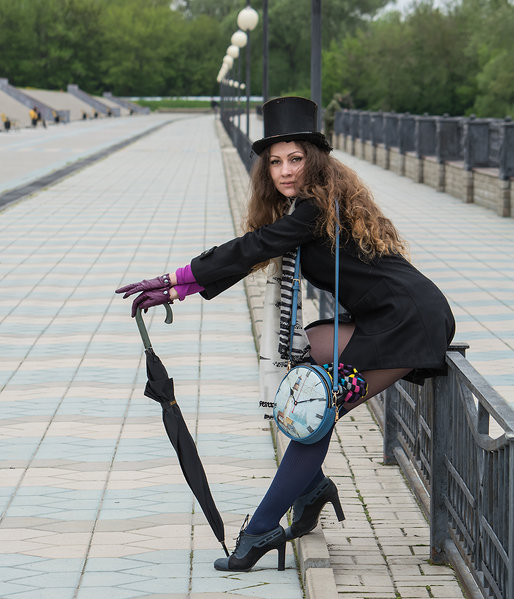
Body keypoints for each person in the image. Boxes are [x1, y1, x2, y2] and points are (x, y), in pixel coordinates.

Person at [116, 96, 455, 573]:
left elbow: (254, 245)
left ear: (314, 160)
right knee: (308, 355)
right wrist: (178, 290)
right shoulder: (304, 210)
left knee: (313, 407)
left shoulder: (318, 207)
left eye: (295, 159)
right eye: (275, 162)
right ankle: (311, 485)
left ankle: (259, 531)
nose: (284, 170)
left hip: (410, 321)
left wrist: (175, 280)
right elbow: (254, 252)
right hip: (393, 314)